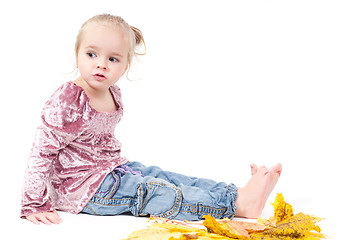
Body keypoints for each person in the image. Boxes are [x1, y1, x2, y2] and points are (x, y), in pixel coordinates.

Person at [20, 14, 282, 225]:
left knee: (163, 176)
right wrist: (33, 203)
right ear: (77, 53)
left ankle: (237, 194)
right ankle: (236, 205)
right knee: (152, 191)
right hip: (81, 189)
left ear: (125, 66)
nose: (101, 64)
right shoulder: (70, 98)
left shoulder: (112, 91)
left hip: (112, 169)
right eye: (91, 54)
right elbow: (41, 153)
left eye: (112, 59)